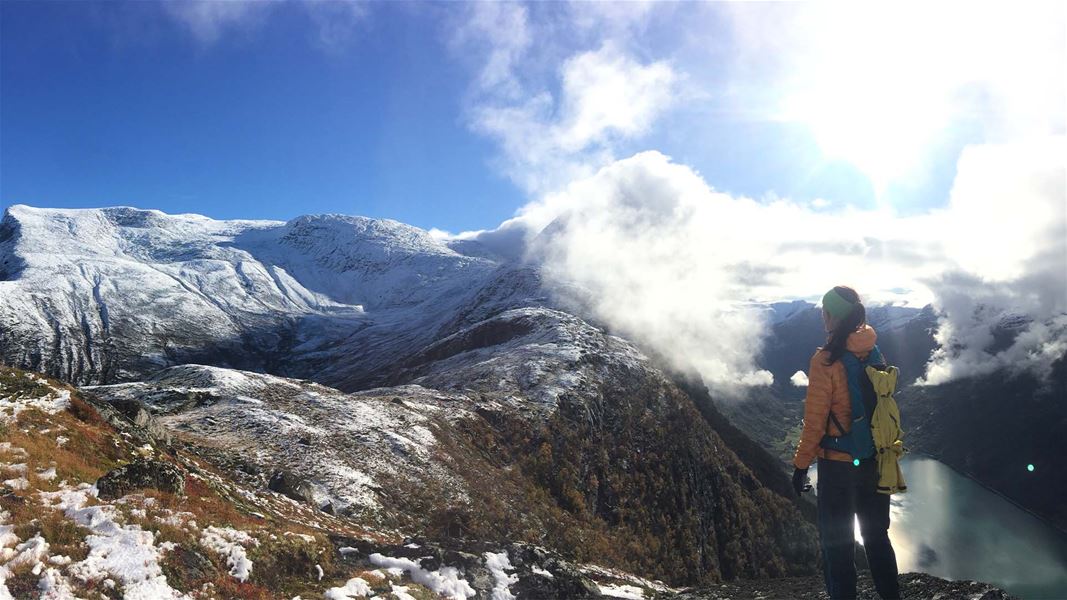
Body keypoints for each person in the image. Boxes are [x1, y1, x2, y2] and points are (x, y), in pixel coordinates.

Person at [792, 285, 900, 600]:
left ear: (832, 315)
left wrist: (800, 467)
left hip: (838, 467)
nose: (822, 317)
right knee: (877, 537)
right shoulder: (874, 350)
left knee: (837, 546)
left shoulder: (826, 359)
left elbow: (815, 422)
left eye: (825, 311)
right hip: (877, 461)